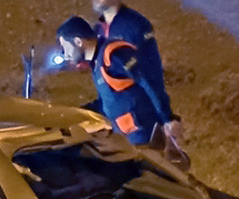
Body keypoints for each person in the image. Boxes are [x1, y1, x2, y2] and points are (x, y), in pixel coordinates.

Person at [57, 16, 188, 168]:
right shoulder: (97, 63)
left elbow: (149, 81)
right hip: (129, 138)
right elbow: (108, 102)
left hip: (145, 136)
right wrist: (76, 114)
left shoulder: (113, 55)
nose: (64, 53)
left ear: (79, 42)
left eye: (65, 47)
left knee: (155, 182)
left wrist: (167, 118)